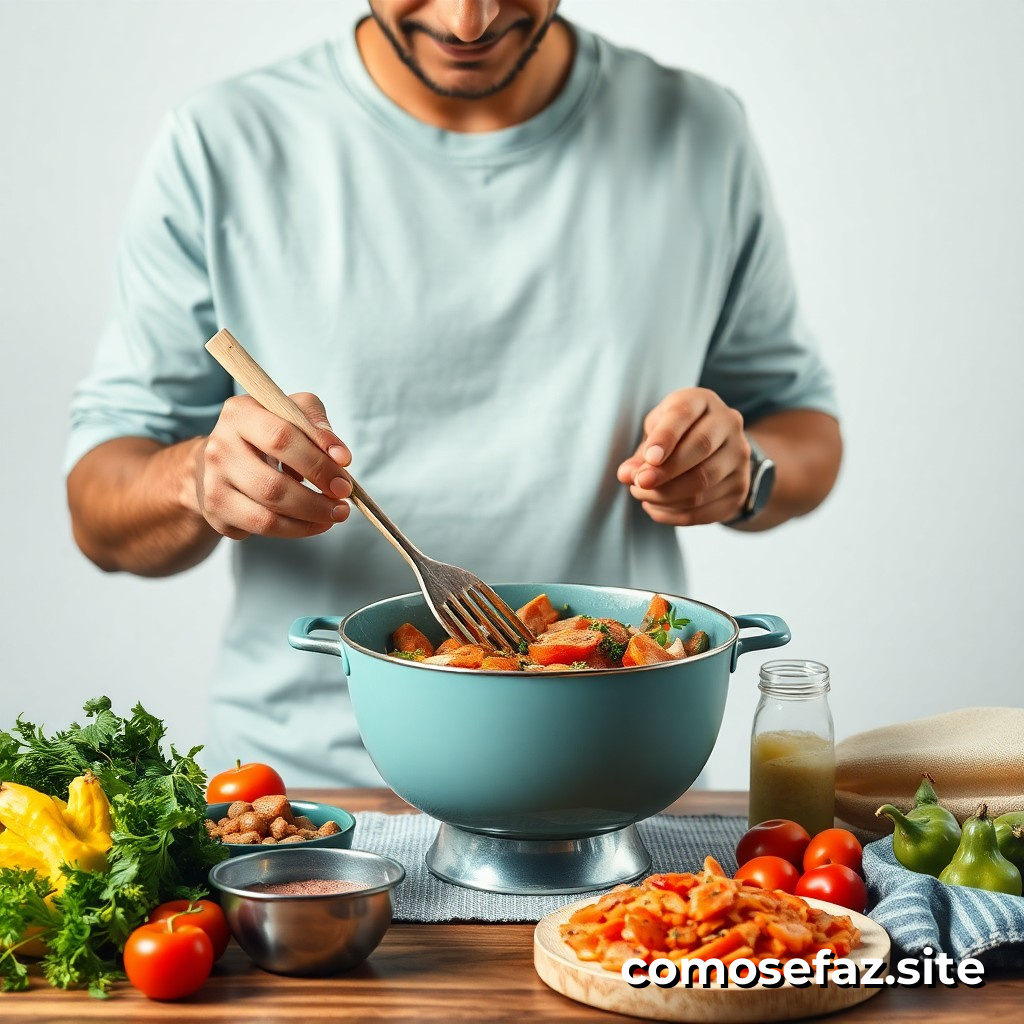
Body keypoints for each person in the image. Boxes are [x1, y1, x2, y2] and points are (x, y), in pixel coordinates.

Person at [66, 1, 842, 786]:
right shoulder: (222, 143)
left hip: (620, 773)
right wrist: (199, 478)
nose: (467, 23)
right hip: (300, 795)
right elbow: (98, 505)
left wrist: (744, 472)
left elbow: (805, 427)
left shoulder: (698, 132)